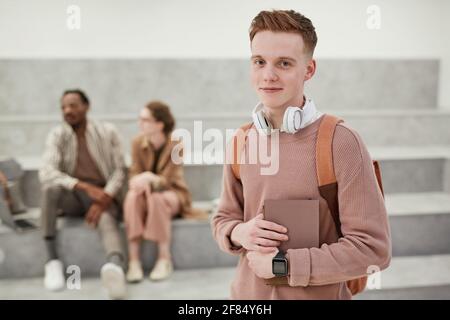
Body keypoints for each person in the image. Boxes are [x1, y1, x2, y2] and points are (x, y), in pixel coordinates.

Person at [211, 9, 392, 299]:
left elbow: (373, 250)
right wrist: (238, 233)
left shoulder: (341, 142)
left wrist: (283, 265)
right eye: (259, 62)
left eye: (283, 63)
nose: (268, 76)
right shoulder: (241, 140)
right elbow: (223, 218)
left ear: (308, 70)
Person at [39, 89, 127, 299]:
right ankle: (52, 262)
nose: (67, 111)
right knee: (50, 189)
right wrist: (82, 186)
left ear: (86, 106)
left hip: (104, 193)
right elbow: (47, 172)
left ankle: (114, 269)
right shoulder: (58, 135)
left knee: (106, 219)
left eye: (73, 105)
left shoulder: (107, 131)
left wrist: (104, 197)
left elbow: (120, 170)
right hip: (73, 196)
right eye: (63, 107)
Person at [123, 100, 206, 283]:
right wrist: (141, 180)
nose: (140, 123)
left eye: (145, 119)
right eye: (140, 119)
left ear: (159, 124)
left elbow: (169, 179)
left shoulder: (176, 144)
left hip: (173, 195)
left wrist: (150, 179)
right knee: (131, 197)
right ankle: (134, 260)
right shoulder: (137, 142)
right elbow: (134, 174)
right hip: (144, 193)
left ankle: (164, 258)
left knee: (157, 199)